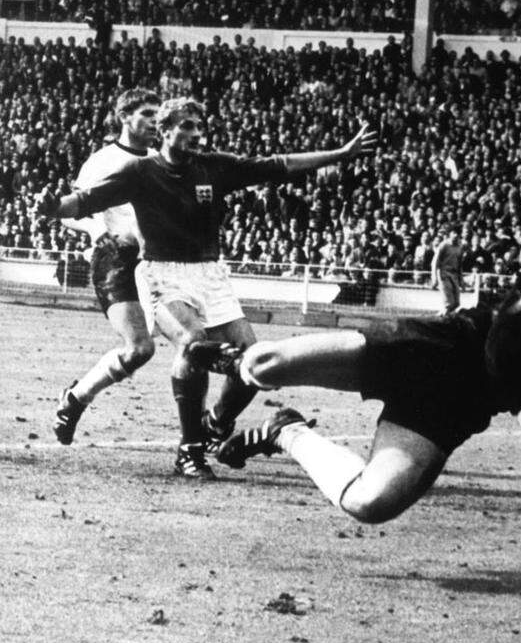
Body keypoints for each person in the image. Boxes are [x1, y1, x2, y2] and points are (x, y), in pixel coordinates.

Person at [187, 231, 521, 552]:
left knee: (370, 503)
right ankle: (232, 360)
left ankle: (287, 432)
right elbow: (504, 336)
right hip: (433, 349)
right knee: (264, 362)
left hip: (457, 406)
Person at [39, 97, 378, 480]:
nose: (197, 134)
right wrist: (55, 207)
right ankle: (190, 451)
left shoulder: (214, 166)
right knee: (191, 342)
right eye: (187, 126)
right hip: (161, 273)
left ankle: (216, 425)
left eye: (200, 127)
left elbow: (276, 165)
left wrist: (340, 153)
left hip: (211, 276)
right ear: (165, 131)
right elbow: (86, 200)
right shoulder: (139, 171)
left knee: (256, 362)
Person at [53, 88, 162, 444]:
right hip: (114, 260)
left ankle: (75, 395)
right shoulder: (101, 161)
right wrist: (98, 229)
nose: (155, 121)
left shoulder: (160, 159)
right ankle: (76, 400)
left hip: (155, 260)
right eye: (147, 113)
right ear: (124, 116)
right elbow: (67, 215)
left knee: (169, 343)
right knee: (141, 347)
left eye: (158, 114)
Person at [431, 230, 465, 314]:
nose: (456, 235)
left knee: (456, 303)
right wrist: (434, 278)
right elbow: (435, 262)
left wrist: (461, 281)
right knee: (448, 303)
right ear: (450, 234)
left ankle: (442, 316)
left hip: (454, 275)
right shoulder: (444, 245)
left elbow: (460, 265)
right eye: (454, 232)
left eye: (457, 233)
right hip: (444, 274)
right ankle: (442, 319)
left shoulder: (460, 248)